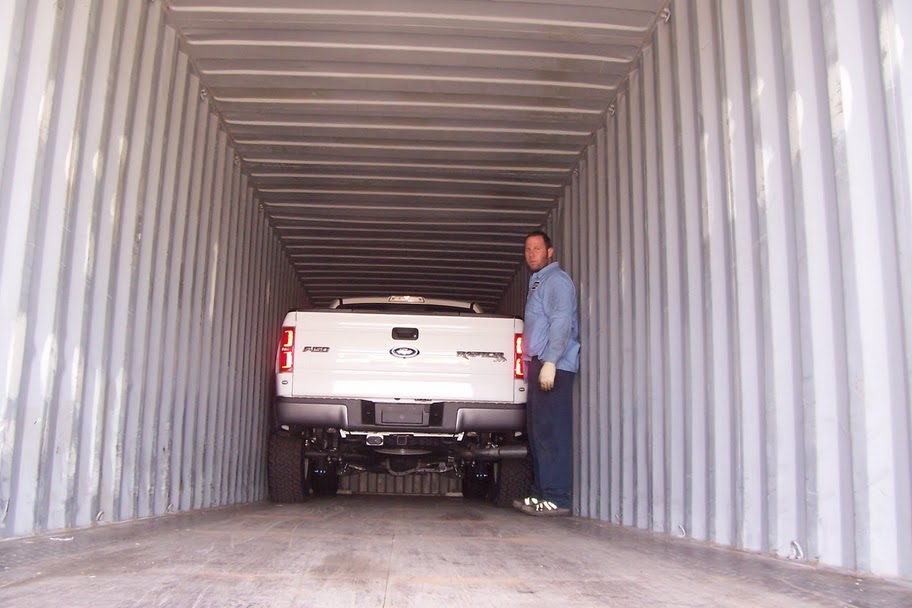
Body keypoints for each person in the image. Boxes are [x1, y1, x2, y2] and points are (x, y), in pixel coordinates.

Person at [514, 230, 580, 517]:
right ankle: (540, 493)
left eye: (537, 249)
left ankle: (557, 497)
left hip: (553, 367)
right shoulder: (538, 282)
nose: (532, 254)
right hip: (538, 365)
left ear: (550, 252)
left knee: (552, 433)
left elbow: (561, 321)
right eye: (528, 249)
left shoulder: (557, 281)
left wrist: (551, 361)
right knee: (538, 434)